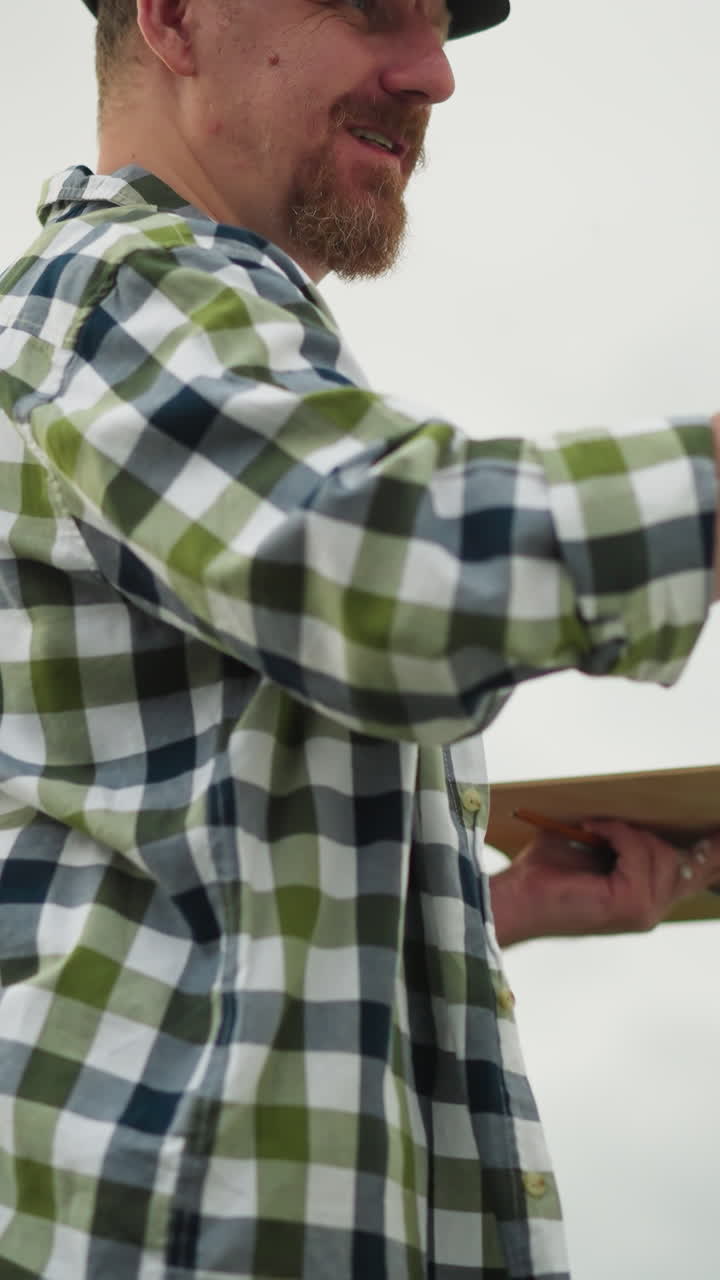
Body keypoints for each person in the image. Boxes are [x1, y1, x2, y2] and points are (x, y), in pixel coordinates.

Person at [0, 1, 719, 1276]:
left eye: (441, 28)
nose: (433, 75)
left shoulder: (185, 343)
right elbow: (390, 558)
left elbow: (177, 865)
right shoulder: (119, 290)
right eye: (378, 11)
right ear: (172, 17)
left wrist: (497, 909)